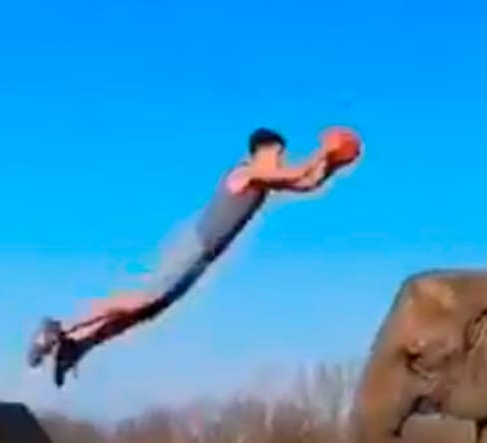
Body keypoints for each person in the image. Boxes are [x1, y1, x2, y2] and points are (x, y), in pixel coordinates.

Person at [27, 127, 352, 387]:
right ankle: (58, 328)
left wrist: (333, 164)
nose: (281, 162)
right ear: (262, 151)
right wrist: (325, 149)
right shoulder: (246, 173)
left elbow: (307, 183)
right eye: (278, 155)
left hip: (202, 260)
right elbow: (296, 174)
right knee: (140, 299)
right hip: (193, 245)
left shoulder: (265, 182)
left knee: (143, 313)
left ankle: (77, 346)